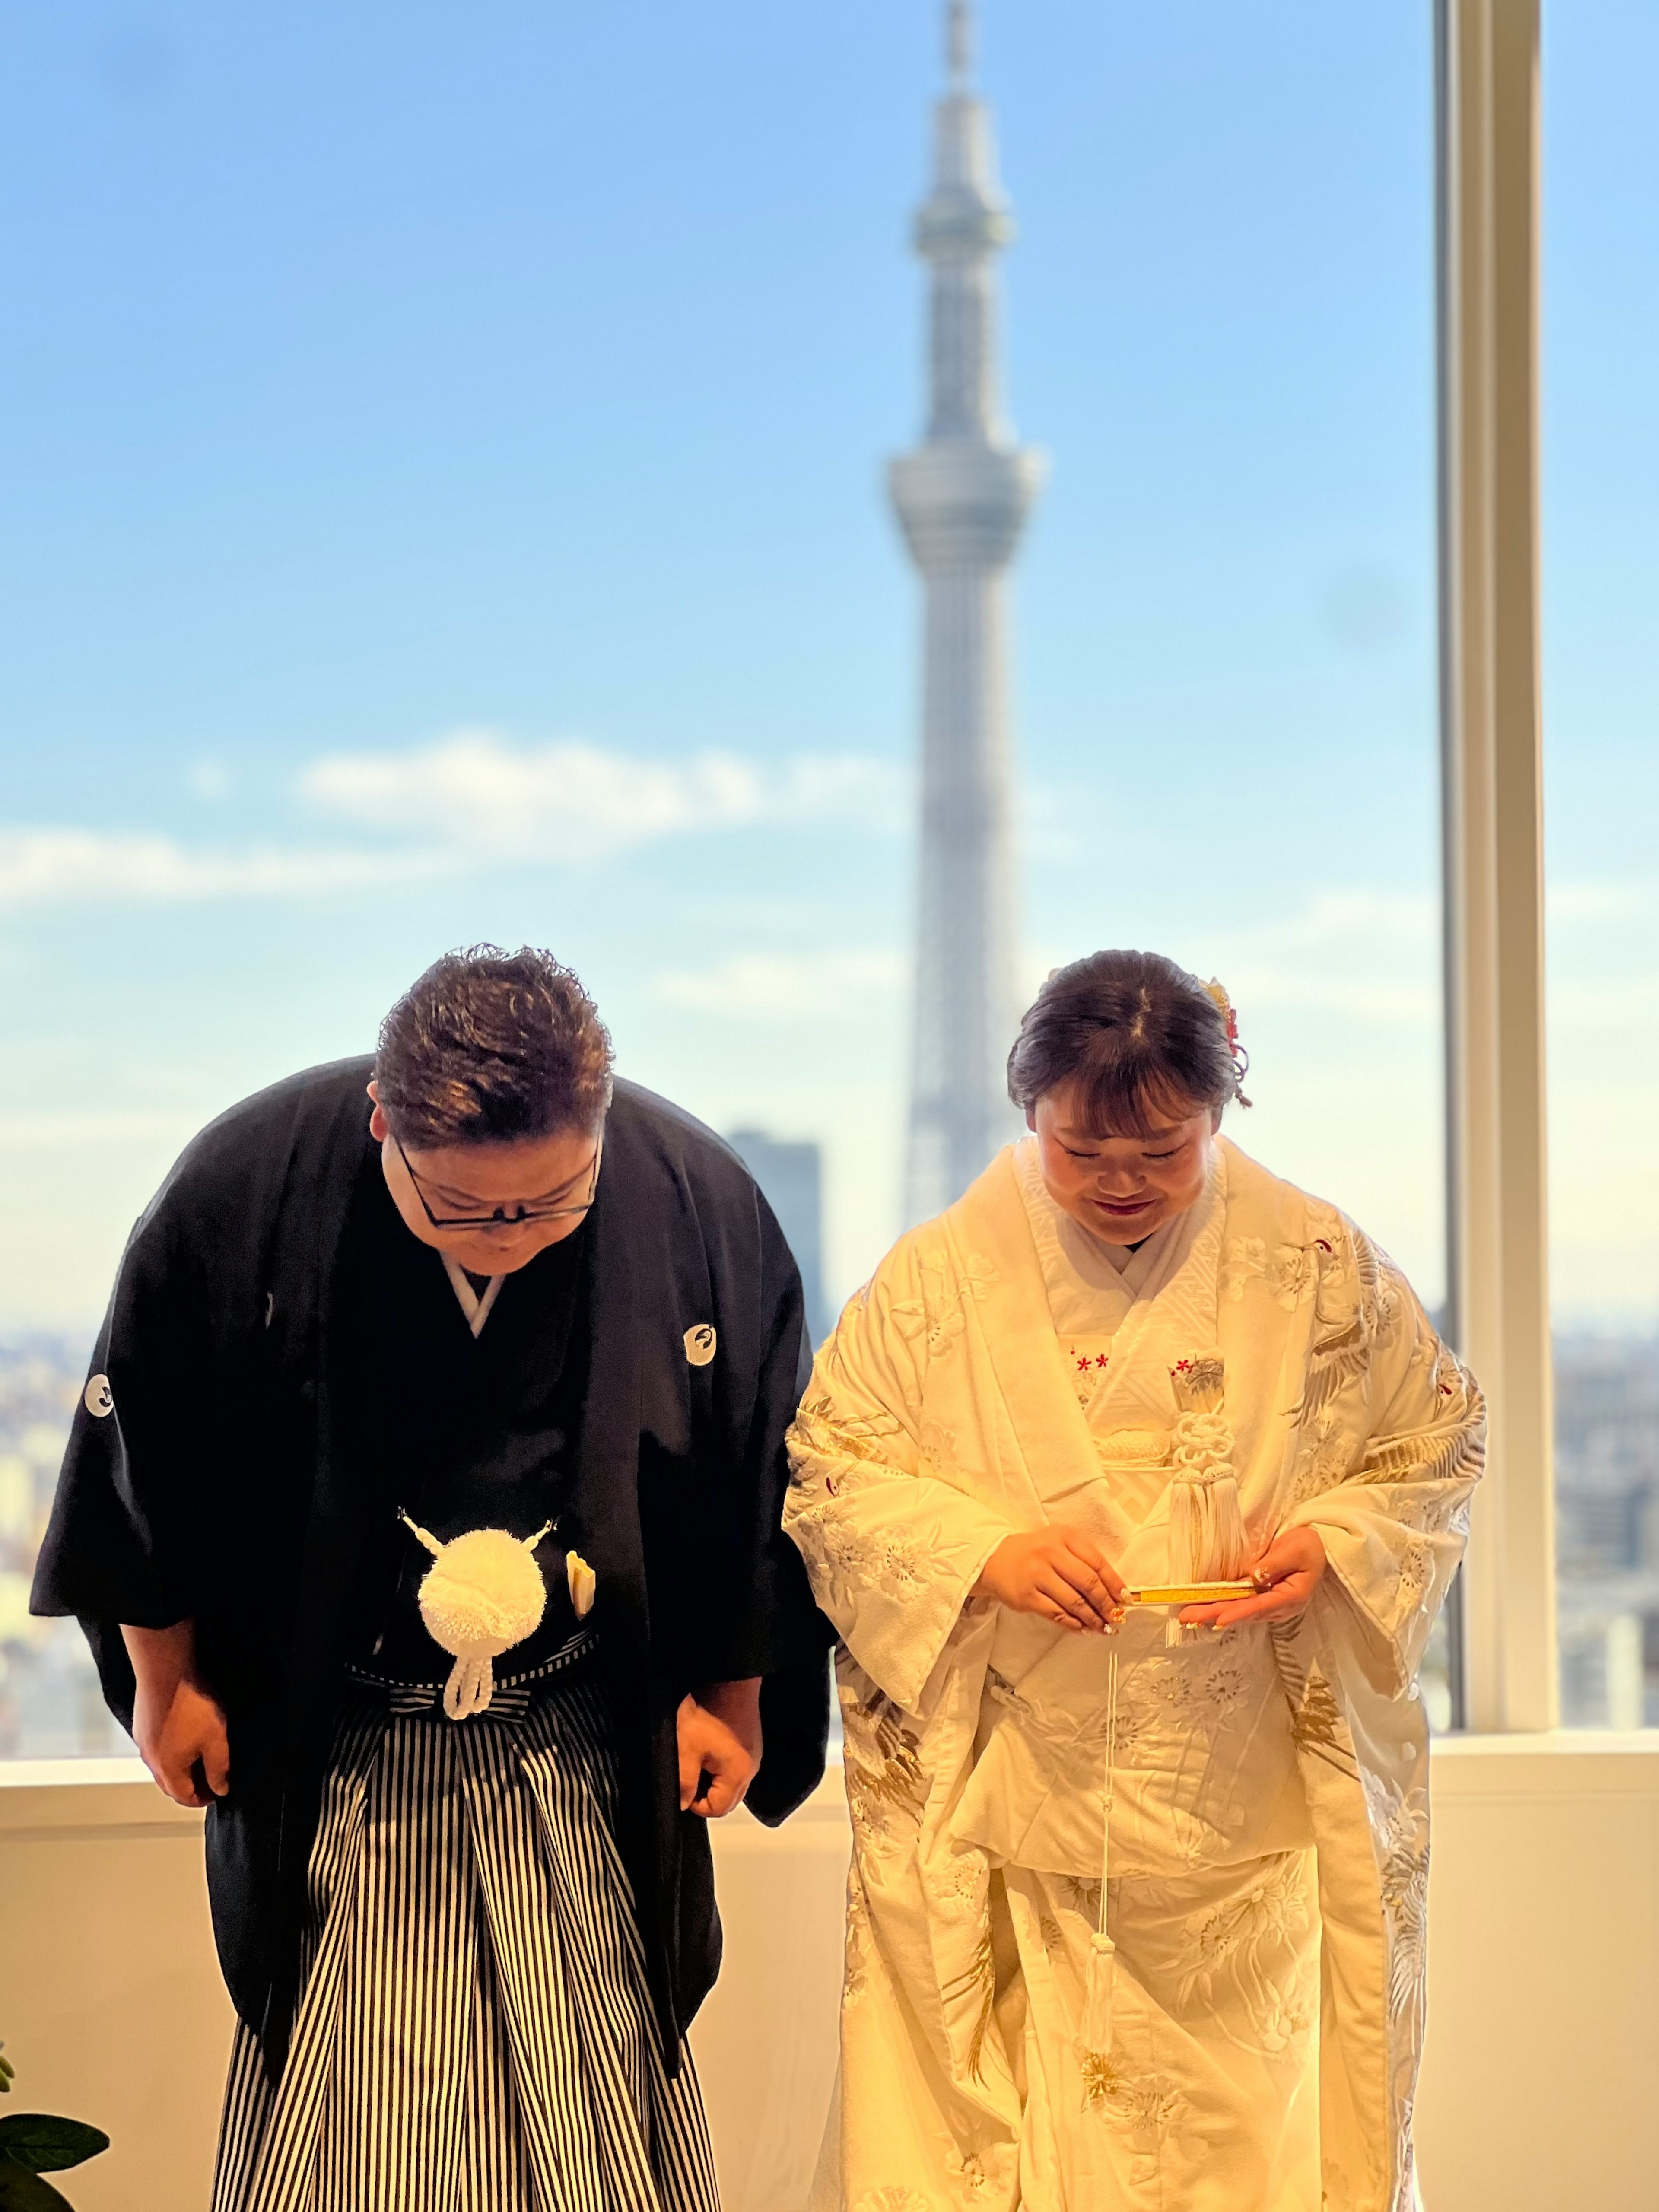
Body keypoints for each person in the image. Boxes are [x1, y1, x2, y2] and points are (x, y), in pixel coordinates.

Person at [32, 944, 832, 2212]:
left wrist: (734, 1696)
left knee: (601, 2083)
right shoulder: (243, 1187)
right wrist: (163, 1680)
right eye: (461, 1208)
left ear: (602, 1116)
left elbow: (747, 1479)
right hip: (334, 1722)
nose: (509, 1239)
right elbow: (149, 1464)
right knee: (345, 2107)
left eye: (552, 1202)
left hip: (584, 1723)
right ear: (382, 1126)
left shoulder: (695, 1198)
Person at [784, 949, 1481, 2212]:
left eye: (1162, 1152)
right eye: (1080, 1152)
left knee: (1244, 2144)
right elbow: (831, 1471)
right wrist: (983, 1552)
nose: (1120, 1184)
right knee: (1034, 2136)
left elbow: (1435, 1443)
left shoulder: (1320, 1267)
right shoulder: (938, 1281)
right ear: (1029, 1112)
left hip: (1242, 1819)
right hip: (1025, 1802)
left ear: (1220, 1114)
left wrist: (1327, 1543)